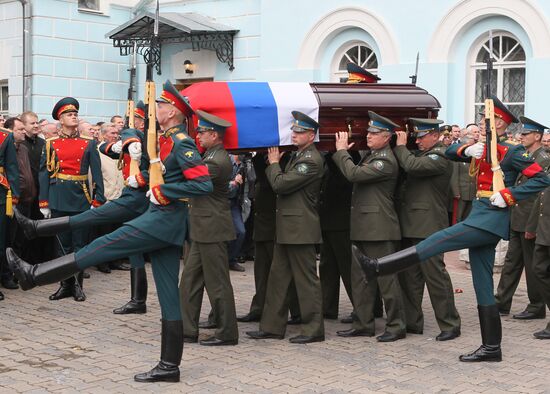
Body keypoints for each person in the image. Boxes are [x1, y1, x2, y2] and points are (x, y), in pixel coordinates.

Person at [8, 81, 212, 383]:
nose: (155, 109)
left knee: (104, 244)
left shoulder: (181, 142)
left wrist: (164, 190)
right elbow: (162, 170)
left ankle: (34, 275)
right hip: (164, 219)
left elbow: (202, 185)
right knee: (170, 294)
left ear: (171, 111)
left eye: (160, 105)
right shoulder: (167, 139)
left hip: (164, 219)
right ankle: (170, 366)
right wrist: (142, 179)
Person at [354, 96, 550, 362]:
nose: (481, 125)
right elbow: (447, 152)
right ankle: (492, 347)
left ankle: (379, 266)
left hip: (491, 218)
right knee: (482, 283)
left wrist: (509, 195)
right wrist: (465, 151)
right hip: (480, 213)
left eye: (485, 121)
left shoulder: (513, 151)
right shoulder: (480, 146)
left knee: (439, 240)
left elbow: (542, 178)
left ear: (500, 123)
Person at [247, 111, 326, 344]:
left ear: (311, 135)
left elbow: (281, 184)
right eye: (293, 130)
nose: (294, 134)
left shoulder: (310, 160)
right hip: (287, 228)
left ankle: (313, 329)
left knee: (307, 281)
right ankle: (271, 326)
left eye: (299, 132)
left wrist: (273, 164)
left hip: (301, 230)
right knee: (278, 278)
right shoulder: (297, 156)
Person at [332, 111, 406, 341]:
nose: (369, 136)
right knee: (361, 279)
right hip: (365, 227)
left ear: (387, 137)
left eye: (374, 133)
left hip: (379, 229)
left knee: (386, 279)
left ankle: (396, 326)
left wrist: (342, 150)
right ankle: (363, 323)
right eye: (368, 132)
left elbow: (353, 174)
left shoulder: (384, 160)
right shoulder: (372, 155)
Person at [394, 118, 461, 341]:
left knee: (435, 276)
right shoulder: (424, 153)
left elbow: (412, 166)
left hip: (429, 224)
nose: (418, 141)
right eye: (416, 137)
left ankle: (450, 323)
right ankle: (413, 322)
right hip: (412, 224)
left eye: (422, 137)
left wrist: (401, 147)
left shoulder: (440, 155)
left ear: (435, 135)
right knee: (410, 277)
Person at [179, 110, 239, 346]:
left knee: (217, 283)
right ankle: (186, 328)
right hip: (203, 227)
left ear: (214, 135)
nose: (198, 136)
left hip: (212, 228)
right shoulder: (210, 156)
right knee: (190, 281)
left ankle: (227, 332)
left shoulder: (217, 160)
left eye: (202, 132)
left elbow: (191, 182)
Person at [38, 97, 106, 302]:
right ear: (60, 119)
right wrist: (44, 202)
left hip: (81, 197)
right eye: (69, 114)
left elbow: (97, 172)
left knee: (79, 245)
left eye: (75, 113)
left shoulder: (88, 143)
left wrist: (98, 199)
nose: (74, 116)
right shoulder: (50, 143)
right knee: (62, 245)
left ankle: (77, 285)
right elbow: (43, 174)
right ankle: (64, 285)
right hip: (58, 197)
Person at [495, 116, 550, 318]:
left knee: (532, 265)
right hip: (518, 217)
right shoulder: (525, 154)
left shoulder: (543, 159)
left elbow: (540, 194)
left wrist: (532, 224)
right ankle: (501, 302)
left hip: (530, 220)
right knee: (512, 262)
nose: (521, 136)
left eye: (525, 134)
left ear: (537, 136)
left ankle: (536, 305)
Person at [318, 151, 355, 321]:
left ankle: (362, 309)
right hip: (328, 221)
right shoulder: (330, 159)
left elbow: (345, 178)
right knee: (327, 267)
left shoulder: (349, 156)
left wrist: (334, 154)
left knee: (349, 269)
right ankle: (328, 307)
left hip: (342, 223)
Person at [0, 119, 20, 297]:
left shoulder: (5, 136)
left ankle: (4, 276)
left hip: (0, 195)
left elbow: (12, 167)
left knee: (1, 240)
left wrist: (14, 196)